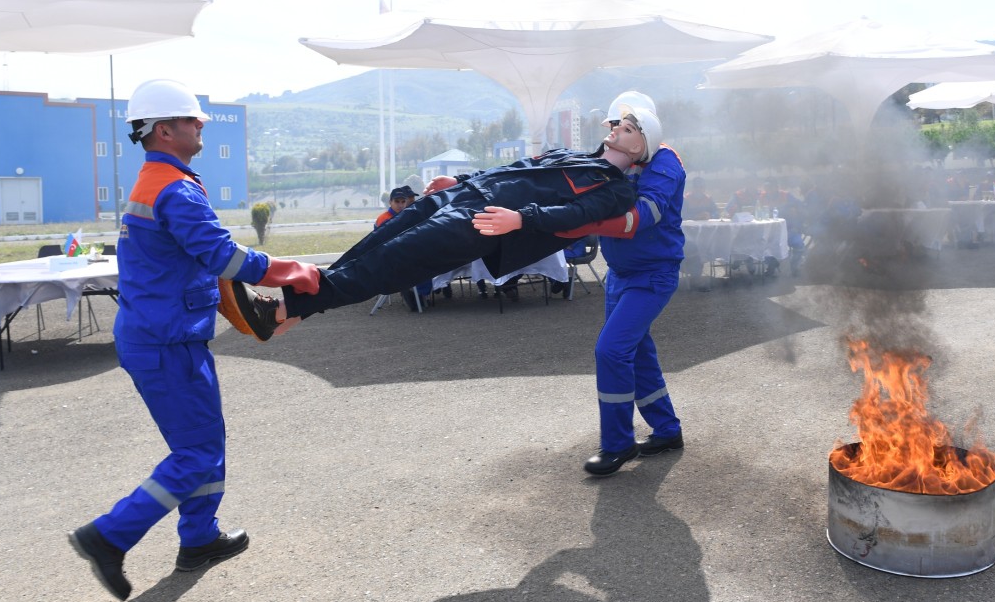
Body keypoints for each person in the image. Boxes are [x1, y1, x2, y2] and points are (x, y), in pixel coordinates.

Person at [68, 80, 321, 602]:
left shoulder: (160, 181)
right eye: (192, 119)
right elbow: (224, 258)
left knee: (206, 444)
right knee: (196, 454)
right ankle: (109, 535)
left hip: (165, 336)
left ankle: (199, 538)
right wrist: (292, 272)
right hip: (166, 343)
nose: (201, 124)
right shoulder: (174, 189)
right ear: (165, 129)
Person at [226, 142, 639, 336]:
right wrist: (460, 179)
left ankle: (281, 310)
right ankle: (291, 313)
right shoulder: (570, 154)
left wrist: (520, 219)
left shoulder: (617, 187)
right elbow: (512, 167)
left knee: (393, 260)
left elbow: (578, 215)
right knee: (372, 245)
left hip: (484, 219)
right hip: (462, 194)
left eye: (630, 125)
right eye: (620, 122)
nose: (619, 126)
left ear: (642, 146)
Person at [554, 92, 686, 477]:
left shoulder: (665, 163)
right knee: (637, 352)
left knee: (611, 351)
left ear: (646, 131)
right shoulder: (615, 157)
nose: (614, 135)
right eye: (613, 128)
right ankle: (667, 430)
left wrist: (586, 223)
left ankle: (618, 444)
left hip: (652, 276)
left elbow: (644, 215)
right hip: (620, 275)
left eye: (624, 128)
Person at [375, 186, 433, 308]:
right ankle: (414, 293)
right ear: (390, 202)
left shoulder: (407, 216)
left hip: (404, 253)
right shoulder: (383, 219)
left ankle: (419, 293)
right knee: (420, 264)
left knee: (428, 261)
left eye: (403, 201)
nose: (400, 205)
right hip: (388, 257)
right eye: (397, 201)